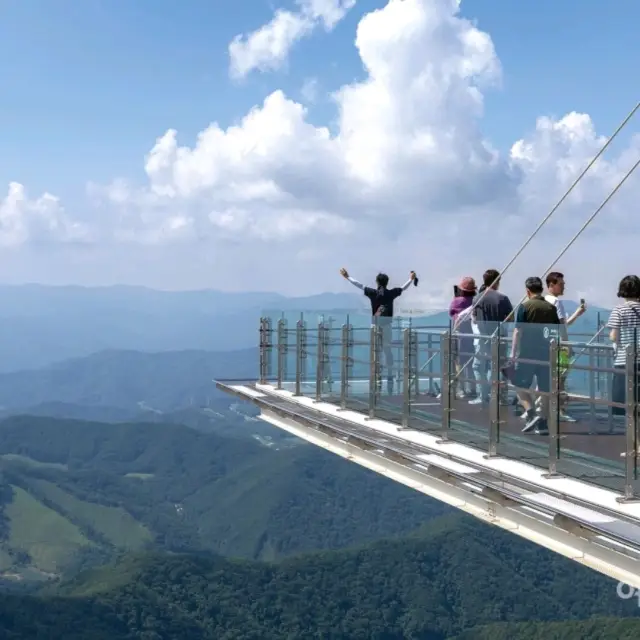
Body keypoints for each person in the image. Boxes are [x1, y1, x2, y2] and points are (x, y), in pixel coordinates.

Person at [340, 268, 416, 393]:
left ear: (377, 282)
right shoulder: (391, 293)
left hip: (375, 325)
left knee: (375, 349)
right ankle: (390, 374)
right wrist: (411, 279)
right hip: (387, 325)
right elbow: (403, 288)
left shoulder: (373, 293)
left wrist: (348, 277)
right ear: (387, 282)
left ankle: (376, 374)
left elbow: (359, 285)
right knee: (387, 349)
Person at [509, 276, 560, 435]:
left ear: (527, 290)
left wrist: (513, 352)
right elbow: (556, 330)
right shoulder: (550, 308)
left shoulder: (525, 306)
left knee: (519, 383)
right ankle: (543, 422)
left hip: (527, 352)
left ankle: (531, 413)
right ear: (541, 289)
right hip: (546, 352)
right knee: (545, 388)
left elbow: (518, 330)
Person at [543, 272, 586, 422]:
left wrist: (576, 314)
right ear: (551, 285)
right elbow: (562, 328)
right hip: (560, 347)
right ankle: (560, 411)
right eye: (561, 284)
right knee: (561, 379)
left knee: (548, 379)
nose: (563, 287)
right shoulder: (556, 302)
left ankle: (543, 409)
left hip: (546, 345)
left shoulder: (543, 300)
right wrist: (567, 346)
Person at [468, 269, 513, 405]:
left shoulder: (477, 298)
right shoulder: (502, 298)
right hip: (500, 337)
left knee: (480, 366)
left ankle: (483, 395)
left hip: (483, 337)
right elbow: (511, 318)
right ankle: (501, 398)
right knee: (499, 366)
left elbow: (474, 319)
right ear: (497, 281)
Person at [607, 275, 640, 417]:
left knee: (625, 403)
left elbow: (614, 336)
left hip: (624, 360)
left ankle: (633, 436)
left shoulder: (619, 310)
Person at [450, 277, 477, 399]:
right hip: (473, 336)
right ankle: (473, 388)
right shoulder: (476, 300)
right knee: (471, 363)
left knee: (459, 363)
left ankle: (460, 390)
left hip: (459, 335)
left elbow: (451, 313)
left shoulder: (457, 301)